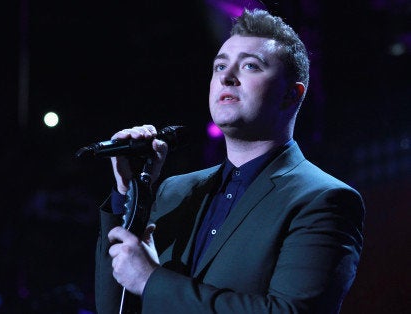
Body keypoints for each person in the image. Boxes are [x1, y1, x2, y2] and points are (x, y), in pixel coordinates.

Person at [95, 9, 365, 314]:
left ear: (291, 95)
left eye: (250, 65)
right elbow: (113, 306)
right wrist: (129, 195)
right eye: (220, 66)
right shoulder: (175, 191)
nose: (226, 76)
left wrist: (151, 280)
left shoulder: (322, 200)